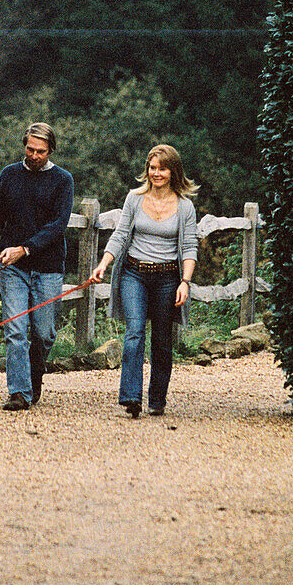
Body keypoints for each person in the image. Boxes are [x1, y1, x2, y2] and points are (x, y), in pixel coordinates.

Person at [90, 144, 198, 418]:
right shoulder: (134, 199)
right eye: (152, 168)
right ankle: (131, 397)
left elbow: (189, 247)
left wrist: (185, 282)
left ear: (173, 172)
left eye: (162, 168)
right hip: (134, 273)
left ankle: (157, 399)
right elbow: (120, 235)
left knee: (162, 338)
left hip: (167, 278)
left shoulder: (185, 207)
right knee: (135, 331)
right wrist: (103, 264)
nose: (156, 173)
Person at [0, 122, 74, 411]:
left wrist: (26, 248)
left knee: (44, 333)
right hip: (12, 267)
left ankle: (34, 376)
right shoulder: (9, 175)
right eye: (30, 149)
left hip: (47, 266)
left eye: (41, 151)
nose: (34, 156)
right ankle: (19, 392)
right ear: (24, 146)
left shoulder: (62, 180)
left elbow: (57, 226)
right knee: (16, 329)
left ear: (51, 150)